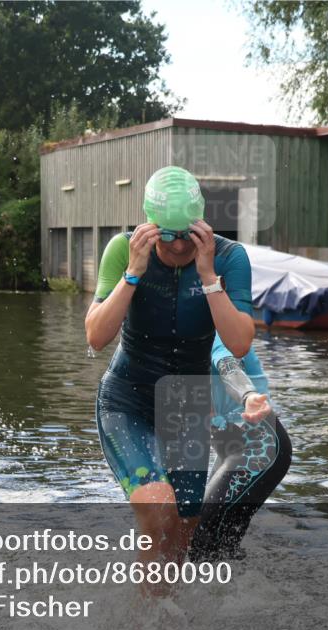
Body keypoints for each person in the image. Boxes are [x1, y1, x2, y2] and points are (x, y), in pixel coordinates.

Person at [85, 166, 255, 590]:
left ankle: (162, 614)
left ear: (202, 224)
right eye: (167, 235)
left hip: (187, 405)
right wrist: (133, 273)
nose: (178, 245)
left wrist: (208, 277)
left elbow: (238, 344)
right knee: (160, 509)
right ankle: (142, 621)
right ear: (150, 224)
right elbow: (96, 336)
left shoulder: (228, 257)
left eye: (187, 235)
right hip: (127, 400)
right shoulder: (123, 249)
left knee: (182, 529)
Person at [188, 334, 292, 562]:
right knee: (219, 547)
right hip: (231, 452)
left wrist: (247, 395)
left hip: (260, 448)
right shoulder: (174, 345)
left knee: (199, 536)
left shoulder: (215, 333)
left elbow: (228, 365)